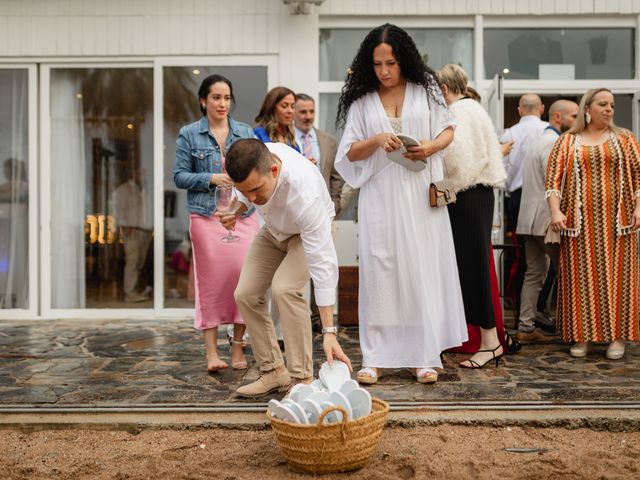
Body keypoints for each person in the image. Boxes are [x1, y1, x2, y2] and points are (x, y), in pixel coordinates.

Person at [335, 24, 467, 385]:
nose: (384, 71)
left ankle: (422, 355)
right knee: (381, 272)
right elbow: (348, 153)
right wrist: (376, 139)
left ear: (403, 59)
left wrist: (431, 146)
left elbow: (449, 129)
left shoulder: (427, 92)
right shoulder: (363, 101)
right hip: (380, 197)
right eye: (377, 64)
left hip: (420, 193)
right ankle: (376, 355)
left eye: (390, 63)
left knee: (420, 269)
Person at [219, 139, 352, 397]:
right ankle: (273, 372)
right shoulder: (253, 165)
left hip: (309, 233)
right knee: (245, 293)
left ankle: (303, 379)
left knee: (284, 288)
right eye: (245, 191)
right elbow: (244, 194)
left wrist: (329, 332)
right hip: (274, 231)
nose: (252, 198)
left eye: (256, 190)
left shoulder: (305, 192)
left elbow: (323, 266)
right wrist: (236, 209)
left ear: (274, 170)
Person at [172, 74, 259, 372]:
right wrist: (210, 178)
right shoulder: (189, 134)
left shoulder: (245, 131)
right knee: (210, 285)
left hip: (242, 216)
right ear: (203, 101)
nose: (222, 103)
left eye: (226, 98)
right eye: (216, 98)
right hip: (206, 218)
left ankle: (237, 348)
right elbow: (179, 176)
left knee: (242, 281)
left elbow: (259, 171)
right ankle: (212, 353)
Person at [546, 88, 640, 360]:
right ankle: (583, 336)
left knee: (619, 279)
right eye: (603, 104)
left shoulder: (625, 139)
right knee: (581, 279)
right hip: (579, 225)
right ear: (587, 109)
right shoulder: (567, 141)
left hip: (618, 223)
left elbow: (638, 175)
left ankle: (617, 337)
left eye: (611, 104)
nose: (609, 109)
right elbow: (552, 180)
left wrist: (637, 208)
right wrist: (555, 212)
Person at [436, 64, 508, 368]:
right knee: (473, 266)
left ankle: (490, 343)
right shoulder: (474, 108)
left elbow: (458, 160)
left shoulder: (461, 111)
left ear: (443, 88)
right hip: (475, 194)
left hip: (466, 195)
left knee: (474, 268)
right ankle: (487, 340)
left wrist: (439, 182)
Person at [516, 99, 579, 343]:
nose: (577, 120)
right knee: (569, 272)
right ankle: (572, 329)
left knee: (534, 273)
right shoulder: (554, 142)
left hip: (529, 220)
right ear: (557, 117)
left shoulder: (537, 140)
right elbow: (555, 181)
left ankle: (525, 326)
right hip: (545, 220)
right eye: (573, 116)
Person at [293, 93, 345, 333]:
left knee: (321, 264)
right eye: (303, 112)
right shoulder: (287, 139)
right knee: (296, 267)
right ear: (294, 112)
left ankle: (319, 318)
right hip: (294, 214)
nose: (308, 116)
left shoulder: (327, 140)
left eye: (311, 111)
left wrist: (334, 204)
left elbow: (336, 176)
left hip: (323, 214)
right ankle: (296, 316)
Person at [500, 93, 548, 319]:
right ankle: (540, 308)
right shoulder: (548, 131)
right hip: (545, 197)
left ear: (519, 110)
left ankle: (520, 305)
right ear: (542, 109)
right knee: (543, 257)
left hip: (518, 198)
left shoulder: (509, 133)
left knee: (521, 254)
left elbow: (504, 170)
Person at [112, 166, 153, 303]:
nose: (143, 176)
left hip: (145, 230)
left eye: (145, 173)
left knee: (140, 263)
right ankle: (129, 293)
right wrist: (124, 224)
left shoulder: (145, 190)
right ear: (133, 173)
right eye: (141, 172)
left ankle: (136, 290)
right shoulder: (123, 190)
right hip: (132, 230)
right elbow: (116, 209)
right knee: (132, 261)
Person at [254, 87, 300, 151]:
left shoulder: (292, 139)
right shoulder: (258, 135)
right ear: (271, 108)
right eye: (284, 106)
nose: (290, 111)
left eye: (293, 107)